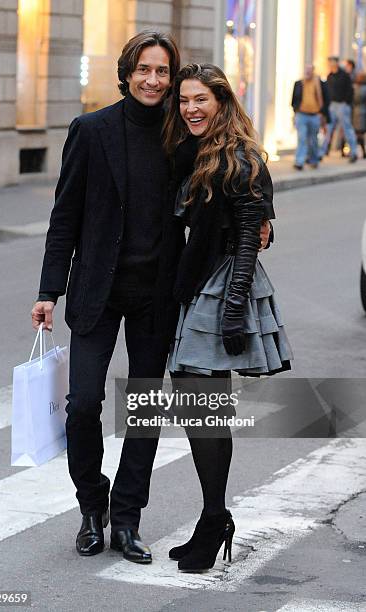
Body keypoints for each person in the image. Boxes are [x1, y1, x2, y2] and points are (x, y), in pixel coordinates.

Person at [31, 30, 183, 564]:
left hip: (157, 295)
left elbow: (227, 185)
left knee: (143, 410)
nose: (153, 79)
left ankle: (127, 518)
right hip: (97, 289)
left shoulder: (181, 135)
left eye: (163, 71)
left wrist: (261, 222)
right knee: (84, 405)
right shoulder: (91, 130)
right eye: (144, 69)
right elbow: (64, 216)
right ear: (127, 72)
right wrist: (50, 289)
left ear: (173, 77)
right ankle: (91, 507)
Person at [161, 63, 292, 572]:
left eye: (201, 100)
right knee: (200, 408)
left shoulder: (238, 155)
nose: (191, 109)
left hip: (223, 288)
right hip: (203, 285)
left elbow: (247, 237)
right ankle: (212, 517)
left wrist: (234, 309)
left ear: (222, 102)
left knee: (201, 405)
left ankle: (214, 519)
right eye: (185, 100)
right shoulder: (194, 151)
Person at [291, 64, 330, 170]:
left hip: (314, 115)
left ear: (313, 71)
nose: (307, 72)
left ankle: (313, 160)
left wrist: (322, 114)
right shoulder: (298, 83)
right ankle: (299, 161)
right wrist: (295, 112)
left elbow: (326, 99)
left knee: (313, 139)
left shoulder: (320, 84)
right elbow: (293, 100)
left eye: (310, 70)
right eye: (306, 70)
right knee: (302, 138)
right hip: (301, 114)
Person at [321, 56, 358, 163]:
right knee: (328, 129)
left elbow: (350, 90)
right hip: (332, 105)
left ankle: (353, 152)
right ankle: (322, 152)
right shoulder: (330, 76)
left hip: (342, 105)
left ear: (336, 63)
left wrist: (346, 102)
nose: (331, 65)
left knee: (347, 129)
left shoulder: (345, 75)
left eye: (332, 63)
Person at [352, 72, 366, 159]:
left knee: (357, 133)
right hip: (362, 111)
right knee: (360, 133)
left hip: (355, 112)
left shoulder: (354, 88)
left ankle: (353, 151)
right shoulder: (363, 89)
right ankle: (362, 152)